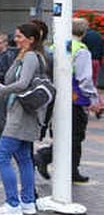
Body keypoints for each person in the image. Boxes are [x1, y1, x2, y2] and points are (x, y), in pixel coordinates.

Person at [0, 23, 46, 215]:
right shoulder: (32, 56)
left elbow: (21, 83)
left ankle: (12, 203)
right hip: (27, 114)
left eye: (20, 36)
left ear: (31, 39)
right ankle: (27, 202)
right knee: (23, 159)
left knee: (2, 156)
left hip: (21, 114)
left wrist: (0, 90)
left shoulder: (30, 57)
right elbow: (14, 78)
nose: (16, 39)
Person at [37, 17, 95, 183]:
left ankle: (72, 169)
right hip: (75, 99)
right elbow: (84, 78)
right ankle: (45, 156)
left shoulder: (55, 46)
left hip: (56, 96)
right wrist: (92, 96)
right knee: (75, 135)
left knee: (64, 132)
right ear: (84, 32)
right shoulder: (81, 50)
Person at [0, 31, 17, 145]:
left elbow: (8, 75)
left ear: (5, 43)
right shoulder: (0, 55)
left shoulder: (8, 55)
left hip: (2, 88)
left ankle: (3, 140)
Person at [84, 22, 104, 118]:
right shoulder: (98, 36)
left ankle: (89, 106)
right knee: (94, 84)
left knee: (86, 83)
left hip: (87, 61)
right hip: (96, 61)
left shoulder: (85, 36)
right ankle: (99, 104)